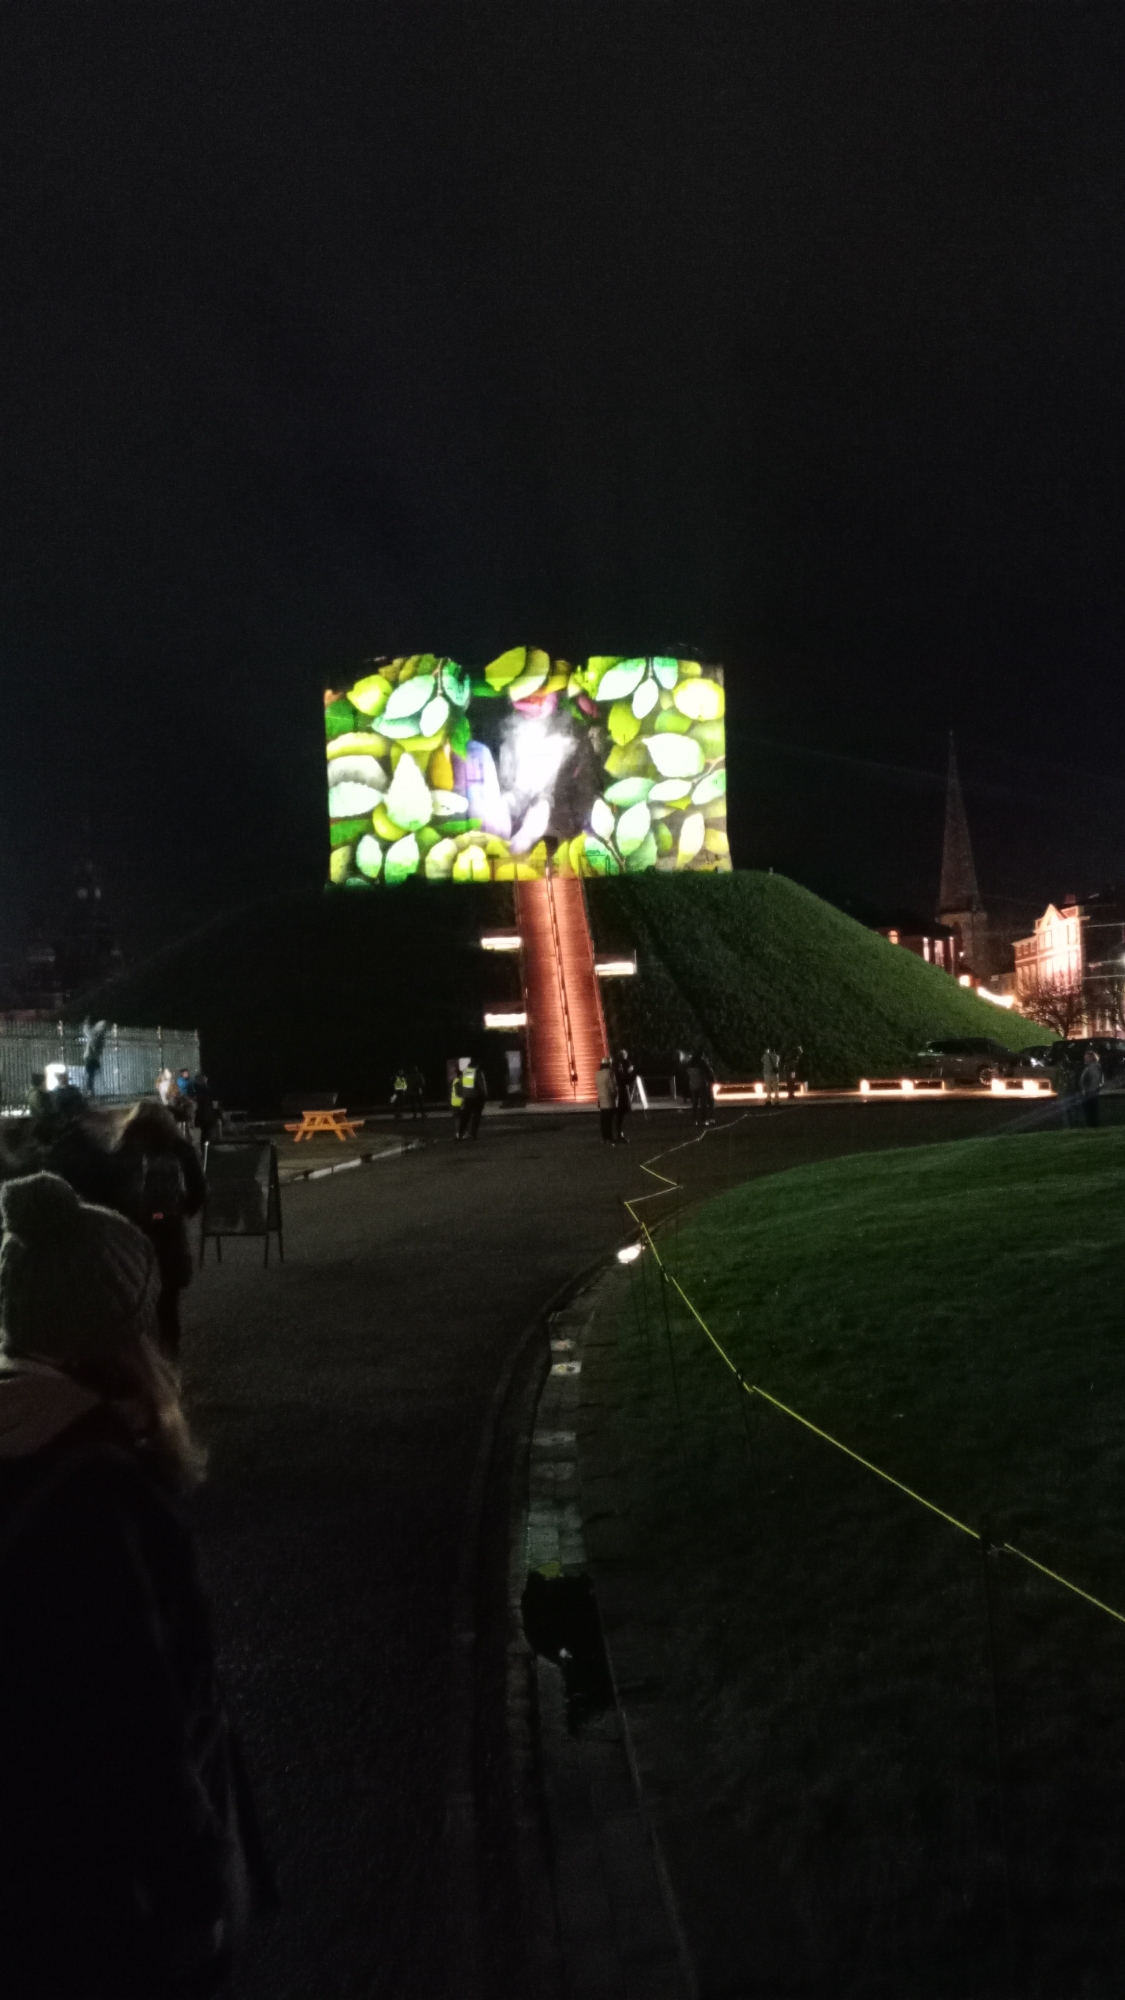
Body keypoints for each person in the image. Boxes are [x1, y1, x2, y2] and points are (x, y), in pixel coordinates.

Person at [0, 1170, 273, 1998]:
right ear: (123, 1326)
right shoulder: (96, 1490)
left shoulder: (25, 1444)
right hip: (107, 1901)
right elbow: (133, 1722)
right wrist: (197, 1885)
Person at [114, 1100, 206, 1362]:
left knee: (134, 1288)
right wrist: (183, 1210)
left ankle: (140, 1355)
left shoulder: (123, 1147)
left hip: (134, 1226)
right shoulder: (178, 1146)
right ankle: (169, 1355)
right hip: (168, 1226)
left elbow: (113, 1186)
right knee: (168, 1293)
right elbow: (198, 1187)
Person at [457, 1059, 488, 1140]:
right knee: (476, 1117)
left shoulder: (465, 1072)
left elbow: (460, 1084)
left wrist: (462, 1095)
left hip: (467, 1098)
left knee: (465, 1117)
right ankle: (473, 1134)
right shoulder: (477, 1072)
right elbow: (481, 1085)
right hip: (477, 1097)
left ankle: (460, 1134)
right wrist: (485, 1095)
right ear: (477, 1065)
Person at [686, 1050, 715, 1127]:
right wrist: (711, 1080)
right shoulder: (702, 1063)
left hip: (693, 1085)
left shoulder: (689, 1063)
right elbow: (709, 1072)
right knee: (703, 1103)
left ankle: (694, 1120)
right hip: (702, 1084)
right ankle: (704, 1120)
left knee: (695, 1103)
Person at [612, 1048, 636, 1143]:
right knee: (620, 1115)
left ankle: (618, 1134)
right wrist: (630, 1073)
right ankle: (619, 1134)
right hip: (621, 1092)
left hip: (619, 1091)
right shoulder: (622, 1066)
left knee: (619, 1115)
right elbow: (625, 1080)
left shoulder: (616, 1065)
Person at [82, 1017, 108, 1097]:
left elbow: (88, 1033)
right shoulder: (101, 1035)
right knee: (91, 1075)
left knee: (90, 1075)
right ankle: (91, 1090)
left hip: (91, 1057)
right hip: (95, 1058)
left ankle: (89, 1090)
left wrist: (86, 1024)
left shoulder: (96, 1034)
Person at [1078, 1046, 1103, 1128]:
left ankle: (1092, 1124)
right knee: (1091, 1108)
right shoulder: (1093, 1067)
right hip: (1091, 1090)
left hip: (1090, 1091)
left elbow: (1090, 1079)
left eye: (1087, 1057)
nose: (1085, 1058)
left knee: (1090, 1109)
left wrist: (1088, 1089)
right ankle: (1093, 1124)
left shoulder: (1093, 1067)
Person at [595, 1056, 616, 1143]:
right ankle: (610, 1137)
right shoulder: (610, 1073)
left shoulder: (597, 1074)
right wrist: (615, 1094)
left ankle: (604, 1137)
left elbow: (596, 1086)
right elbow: (612, 1087)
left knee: (603, 1119)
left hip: (601, 1098)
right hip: (609, 1099)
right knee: (609, 1119)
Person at [449, 1065, 464, 1135]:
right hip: (459, 1103)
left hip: (455, 1103)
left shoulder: (455, 1081)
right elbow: (459, 1093)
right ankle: (459, 1133)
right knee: (460, 1119)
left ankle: (458, 1133)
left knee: (458, 1119)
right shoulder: (458, 1082)